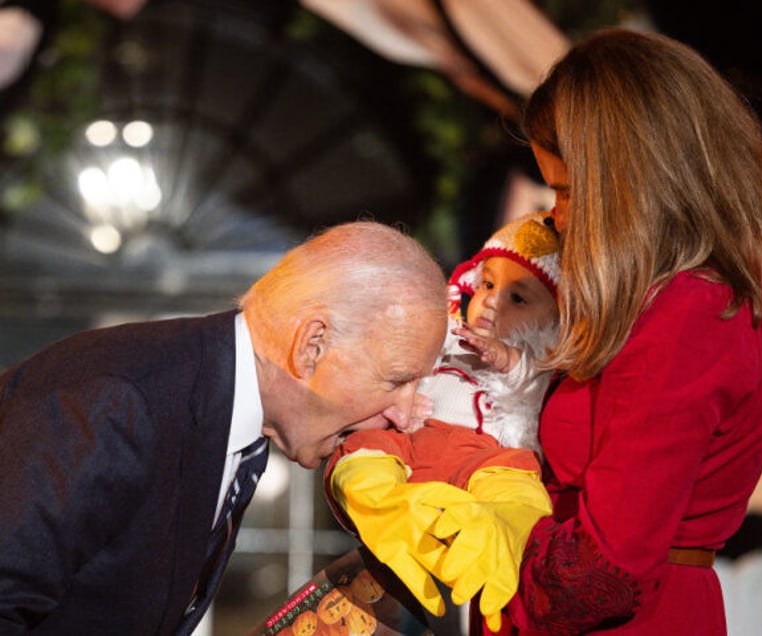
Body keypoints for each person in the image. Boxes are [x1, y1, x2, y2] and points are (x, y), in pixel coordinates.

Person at [465, 27, 762, 635]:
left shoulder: (690, 308)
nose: (556, 214)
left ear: (629, 181)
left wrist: (471, 575)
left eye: (565, 190)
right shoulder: (698, 290)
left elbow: (604, 568)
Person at [0, 220, 448, 635]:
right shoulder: (117, 402)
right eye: (397, 380)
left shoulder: (231, 413)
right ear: (313, 346)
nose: (406, 415)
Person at [324, 210, 561, 632]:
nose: (490, 301)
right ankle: (386, 504)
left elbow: (537, 387)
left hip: (480, 461)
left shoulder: (538, 366)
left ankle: (496, 535)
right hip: (411, 441)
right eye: (487, 284)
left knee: (519, 487)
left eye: (518, 298)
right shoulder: (447, 335)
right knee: (359, 456)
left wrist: (509, 359)